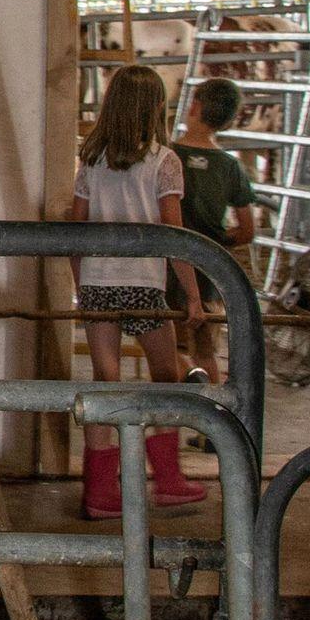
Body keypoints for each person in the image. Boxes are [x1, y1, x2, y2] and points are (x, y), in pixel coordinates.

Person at [71, 62, 210, 520]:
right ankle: (167, 480)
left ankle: (99, 491)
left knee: (105, 379)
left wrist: (82, 284)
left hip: (98, 281)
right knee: (166, 375)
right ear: (156, 108)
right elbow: (174, 234)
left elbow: (75, 229)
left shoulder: (92, 161)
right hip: (143, 284)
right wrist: (192, 296)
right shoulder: (163, 162)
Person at [170, 76, 258, 386]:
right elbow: (247, 230)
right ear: (229, 120)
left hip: (166, 269)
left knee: (169, 347)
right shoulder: (230, 167)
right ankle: (214, 410)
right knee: (206, 348)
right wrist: (216, 240)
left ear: (193, 107)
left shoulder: (167, 157)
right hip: (208, 271)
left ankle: (181, 397)